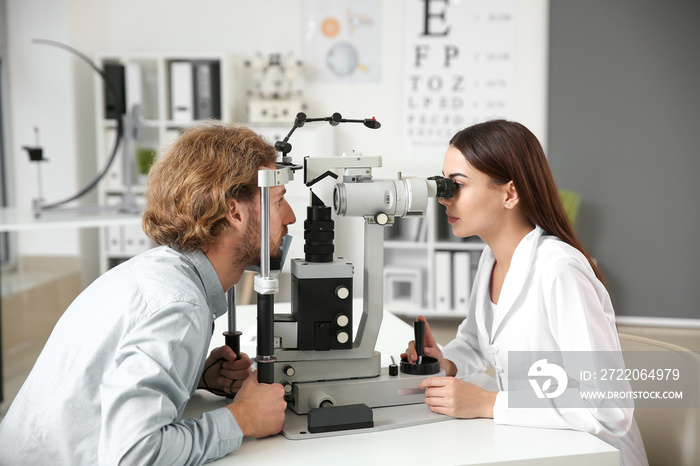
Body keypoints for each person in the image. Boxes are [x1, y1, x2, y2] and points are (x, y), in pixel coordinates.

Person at [0, 123, 296, 464]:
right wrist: (241, 419)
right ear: (235, 212)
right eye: (278, 201)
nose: (289, 216)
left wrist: (193, 375)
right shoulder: (179, 307)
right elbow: (134, 455)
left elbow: (106, 379)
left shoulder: (154, 272)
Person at [403, 120, 648, 466]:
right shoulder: (492, 258)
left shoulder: (560, 270)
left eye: (456, 185)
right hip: (531, 445)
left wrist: (488, 403)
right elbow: (476, 342)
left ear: (510, 193)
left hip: (592, 454)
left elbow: (609, 408)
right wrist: (446, 361)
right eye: (443, 184)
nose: (444, 197)